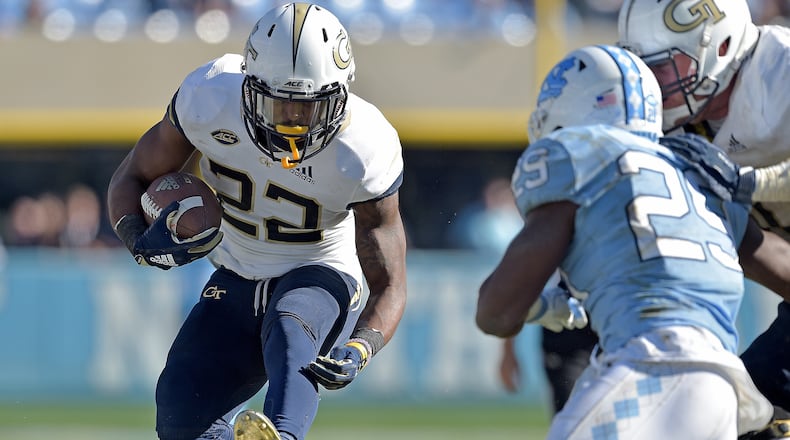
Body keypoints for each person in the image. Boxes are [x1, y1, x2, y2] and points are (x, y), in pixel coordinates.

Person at [106, 3, 408, 440]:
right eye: (279, 104)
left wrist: (362, 347)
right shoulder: (209, 97)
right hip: (237, 270)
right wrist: (137, 237)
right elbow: (133, 175)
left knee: (291, 323)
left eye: (308, 108)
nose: (292, 123)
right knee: (180, 409)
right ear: (248, 86)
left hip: (322, 271)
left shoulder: (364, 147)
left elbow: (391, 282)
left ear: (339, 95)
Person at [476, 44, 790, 439]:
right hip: (725, 393)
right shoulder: (699, 171)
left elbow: (495, 312)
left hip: (651, 369)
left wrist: (544, 307)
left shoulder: (576, 157)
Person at [617, 0, 790, 414]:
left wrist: (751, 183)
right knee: (739, 411)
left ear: (722, 46)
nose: (653, 85)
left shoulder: (781, 72)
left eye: (664, 66)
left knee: (750, 408)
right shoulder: (668, 122)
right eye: (644, 68)